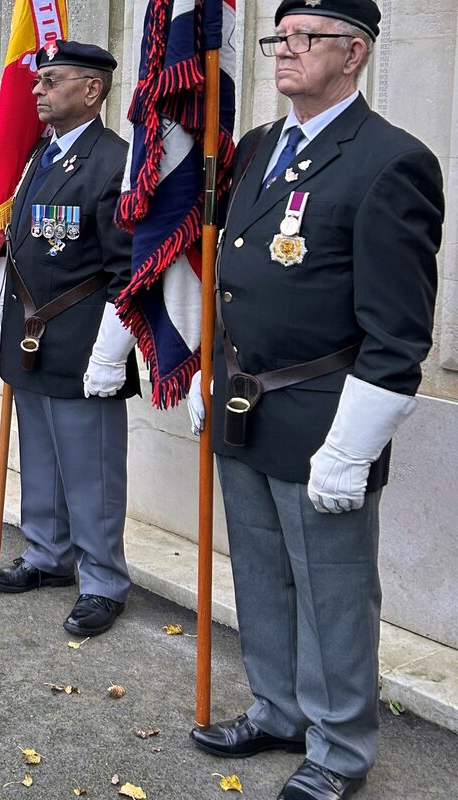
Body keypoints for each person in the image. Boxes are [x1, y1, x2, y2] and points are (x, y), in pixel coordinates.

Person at [184, 3, 444, 799]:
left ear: (354, 53)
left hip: (323, 416)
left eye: (305, 39)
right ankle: (280, 708)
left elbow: (398, 333)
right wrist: (209, 369)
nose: (284, 51)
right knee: (262, 575)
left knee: (332, 589)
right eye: (279, 38)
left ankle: (338, 747)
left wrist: (353, 445)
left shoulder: (390, 161)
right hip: (243, 405)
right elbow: (240, 270)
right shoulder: (260, 146)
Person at [0, 41, 138, 638]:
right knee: (41, 459)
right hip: (31, 336)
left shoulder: (114, 162)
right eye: (37, 81)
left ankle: (102, 581)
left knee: (91, 469)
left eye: (52, 81)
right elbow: (23, 245)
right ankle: (48, 555)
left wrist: (109, 354)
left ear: (92, 90)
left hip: (81, 341)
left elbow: (128, 270)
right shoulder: (39, 158)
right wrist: (1, 307)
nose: (38, 91)